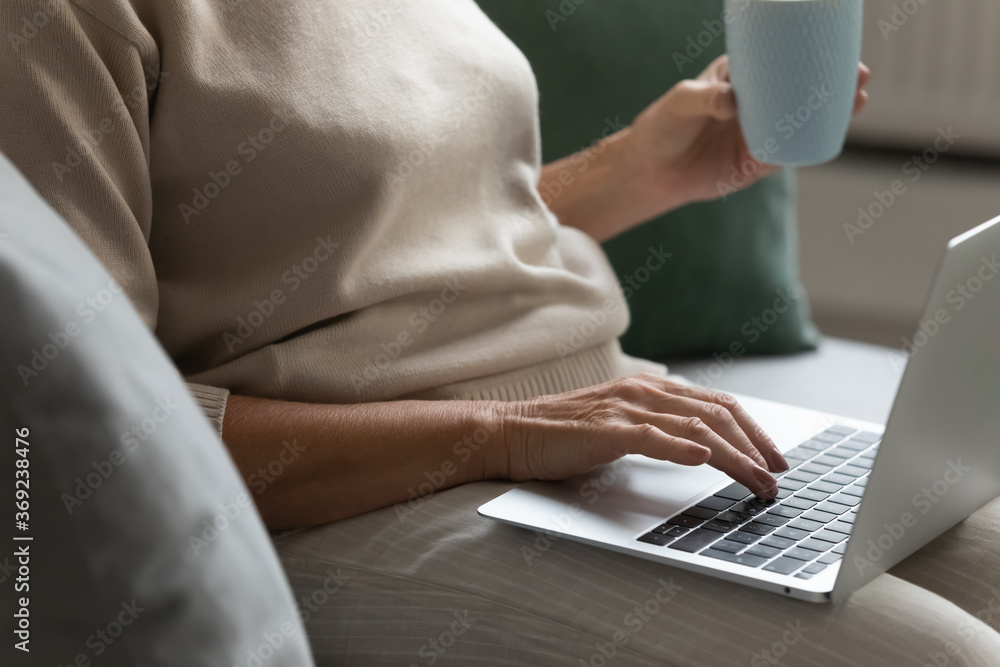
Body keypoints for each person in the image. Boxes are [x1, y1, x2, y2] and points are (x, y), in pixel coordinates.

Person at [4, 1, 1000, 665]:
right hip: (363, 500)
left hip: (606, 428)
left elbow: (394, 249)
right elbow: (94, 439)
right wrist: (504, 430)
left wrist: (633, 169)